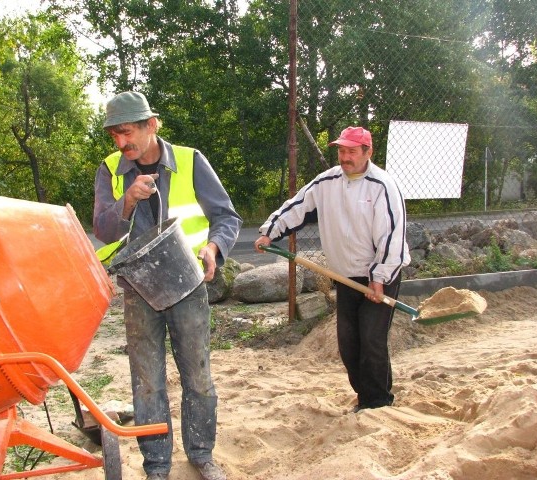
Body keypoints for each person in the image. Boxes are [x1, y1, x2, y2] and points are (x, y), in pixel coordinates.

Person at [94, 91, 242, 480]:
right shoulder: (110, 169)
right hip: (138, 289)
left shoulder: (191, 161)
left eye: (127, 132)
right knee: (147, 382)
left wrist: (213, 247)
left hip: (186, 284)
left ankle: (201, 455)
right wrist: (127, 200)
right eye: (115, 135)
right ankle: (157, 466)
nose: (121, 143)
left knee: (197, 374)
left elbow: (226, 217)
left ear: (151, 125)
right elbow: (103, 229)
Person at [254, 126, 410, 413]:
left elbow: (391, 236)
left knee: (372, 340)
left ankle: (378, 402)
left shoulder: (383, 186)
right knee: (349, 344)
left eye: (352, 151)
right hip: (345, 275)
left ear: (367, 152)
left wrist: (379, 278)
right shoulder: (327, 182)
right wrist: (270, 232)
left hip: (379, 274)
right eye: (341, 150)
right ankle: (365, 396)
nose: (345, 157)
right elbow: (297, 206)